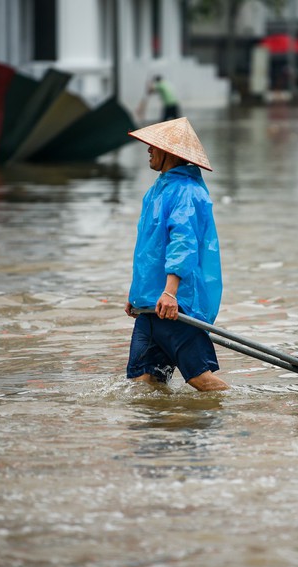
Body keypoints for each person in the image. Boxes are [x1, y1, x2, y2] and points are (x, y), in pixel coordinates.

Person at [124, 117, 228, 391]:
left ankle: (239, 417)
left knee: (200, 380)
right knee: (144, 382)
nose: (148, 149)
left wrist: (170, 293)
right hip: (152, 304)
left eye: (153, 146)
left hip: (175, 304)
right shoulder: (158, 190)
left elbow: (183, 245)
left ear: (170, 152)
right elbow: (149, 250)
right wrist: (136, 295)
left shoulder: (186, 192)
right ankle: (165, 430)